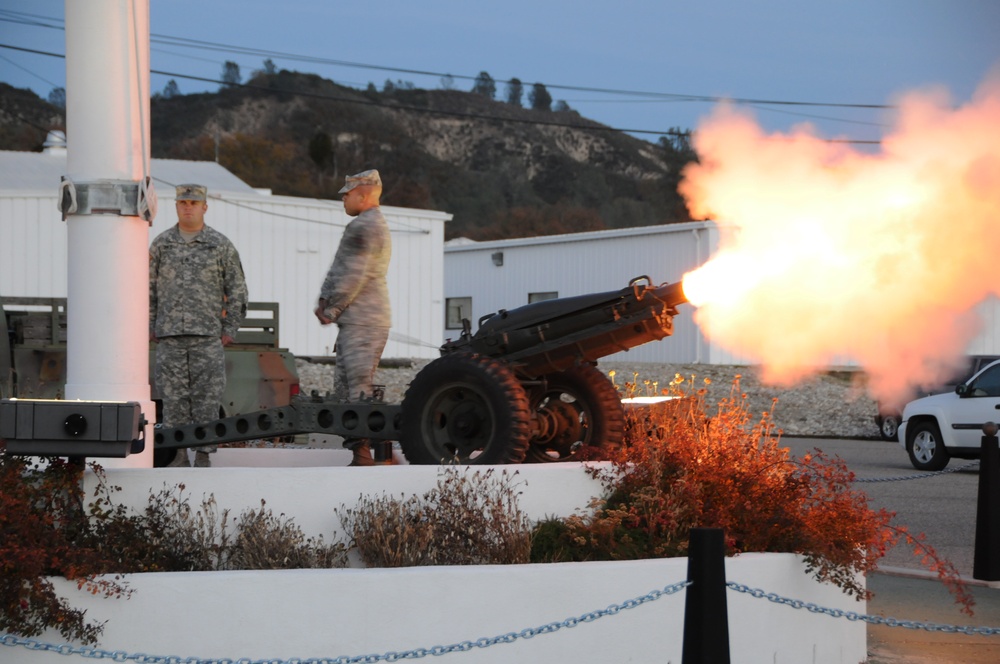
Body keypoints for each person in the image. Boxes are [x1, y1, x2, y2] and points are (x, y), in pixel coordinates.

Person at [149, 184, 249, 468]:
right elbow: (148, 288)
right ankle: (180, 455)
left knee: (207, 399)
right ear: (176, 206)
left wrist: (230, 329)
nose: (188, 207)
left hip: (207, 336)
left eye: (194, 202)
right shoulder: (161, 244)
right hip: (169, 336)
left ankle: (204, 455)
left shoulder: (219, 245)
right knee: (173, 399)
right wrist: (149, 324)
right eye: (183, 202)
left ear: (205, 206)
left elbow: (238, 289)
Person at [314, 169, 392, 466]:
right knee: (349, 389)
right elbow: (340, 267)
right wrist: (325, 298)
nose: (343, 199)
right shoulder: (364, 225)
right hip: (360, 319)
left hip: (363, 319)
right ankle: (362, 454)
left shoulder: (365, 226)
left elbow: (353, 275)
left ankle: (366, 456)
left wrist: (331, 309)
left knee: (357, 390)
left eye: (347, 193)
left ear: (363, 194)